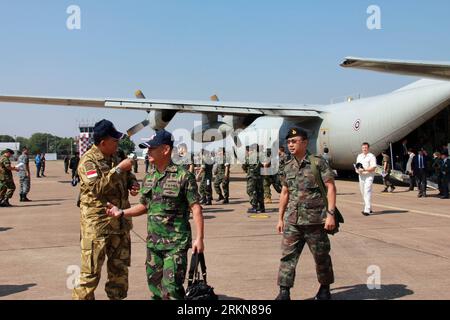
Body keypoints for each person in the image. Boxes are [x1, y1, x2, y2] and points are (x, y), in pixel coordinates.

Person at [106, 129, 204, 300]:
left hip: (175, 245)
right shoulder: (150, 176)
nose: (148, 152)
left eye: (152, 148)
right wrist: (122, 212)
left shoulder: (183, 176)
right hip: (153, 244)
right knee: (155, 289)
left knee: (172, 290)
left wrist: (199, 238)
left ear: (165, 150)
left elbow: (196, 208)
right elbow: (144, 205)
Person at [72, 119, 139, 300]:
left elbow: (128, 176)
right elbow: (98, 187)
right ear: (103, 142)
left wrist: (133, 184)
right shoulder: (88, 162)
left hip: (120, 225)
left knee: (119, 273)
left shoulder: (117, 157)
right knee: (90, 274)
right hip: (98, 226)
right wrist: (118, 170)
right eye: (114, 141)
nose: (118, 144)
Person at [276, 128, 336, 301]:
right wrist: (280, 218)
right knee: (287, 257)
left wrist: (330, 214)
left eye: (294, 141)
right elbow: (285, 192)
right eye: (288, 142)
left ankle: (325, 289)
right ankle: (284, 292)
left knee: (321, 256)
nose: (290, 145)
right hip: (293, 221)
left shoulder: (318, 163)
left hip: (315, 221)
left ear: (304, 142)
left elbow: (331, 187)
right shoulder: (287, 166)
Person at [356, 143, 377, 216]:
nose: (364, 149)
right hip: (361, 176)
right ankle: (370, 208)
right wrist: (357, 170)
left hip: (369, 176)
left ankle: (366, 210)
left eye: (366, 148)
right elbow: (357, 165)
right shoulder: (359, 156)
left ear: (368, 148)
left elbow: (373, 167)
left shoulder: (371, 156)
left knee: (367, 191)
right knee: (363, 193)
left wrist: (364, 169)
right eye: (363, 148)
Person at [244, 144, 265, 213]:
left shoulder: (250, 156)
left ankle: (254, 207)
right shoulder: (262, 155)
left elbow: (244, 165)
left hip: (252, 177)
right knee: (260, 191)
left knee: (251, 191)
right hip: (260, 177)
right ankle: (261, 207)